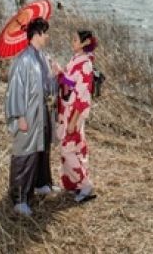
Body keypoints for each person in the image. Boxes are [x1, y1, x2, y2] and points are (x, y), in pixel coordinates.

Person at [4, 17, 62, 216]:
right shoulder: (23, 60)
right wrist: (19, 115)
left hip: (43, 112)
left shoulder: (43, 57)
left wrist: (55, 76)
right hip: (28, 114)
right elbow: (15, 90)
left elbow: (49, 87)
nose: (47, 36)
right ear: (36, 34)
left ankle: (41, 183)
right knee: (25, 153)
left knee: (42, 148)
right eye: (45, 32)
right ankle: (20, 198)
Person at [56, 30, 97, 202]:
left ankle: (86, 185)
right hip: (68, 109)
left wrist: (73, 120)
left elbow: (83, 96)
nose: (72, 42)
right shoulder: (75, 59)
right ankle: (74, 184)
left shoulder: (86, 64)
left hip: (75, 112)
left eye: (75, 39)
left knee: (67, 148)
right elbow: (71, 83)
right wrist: (59, 72)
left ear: (85, 42)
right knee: (75, 147)